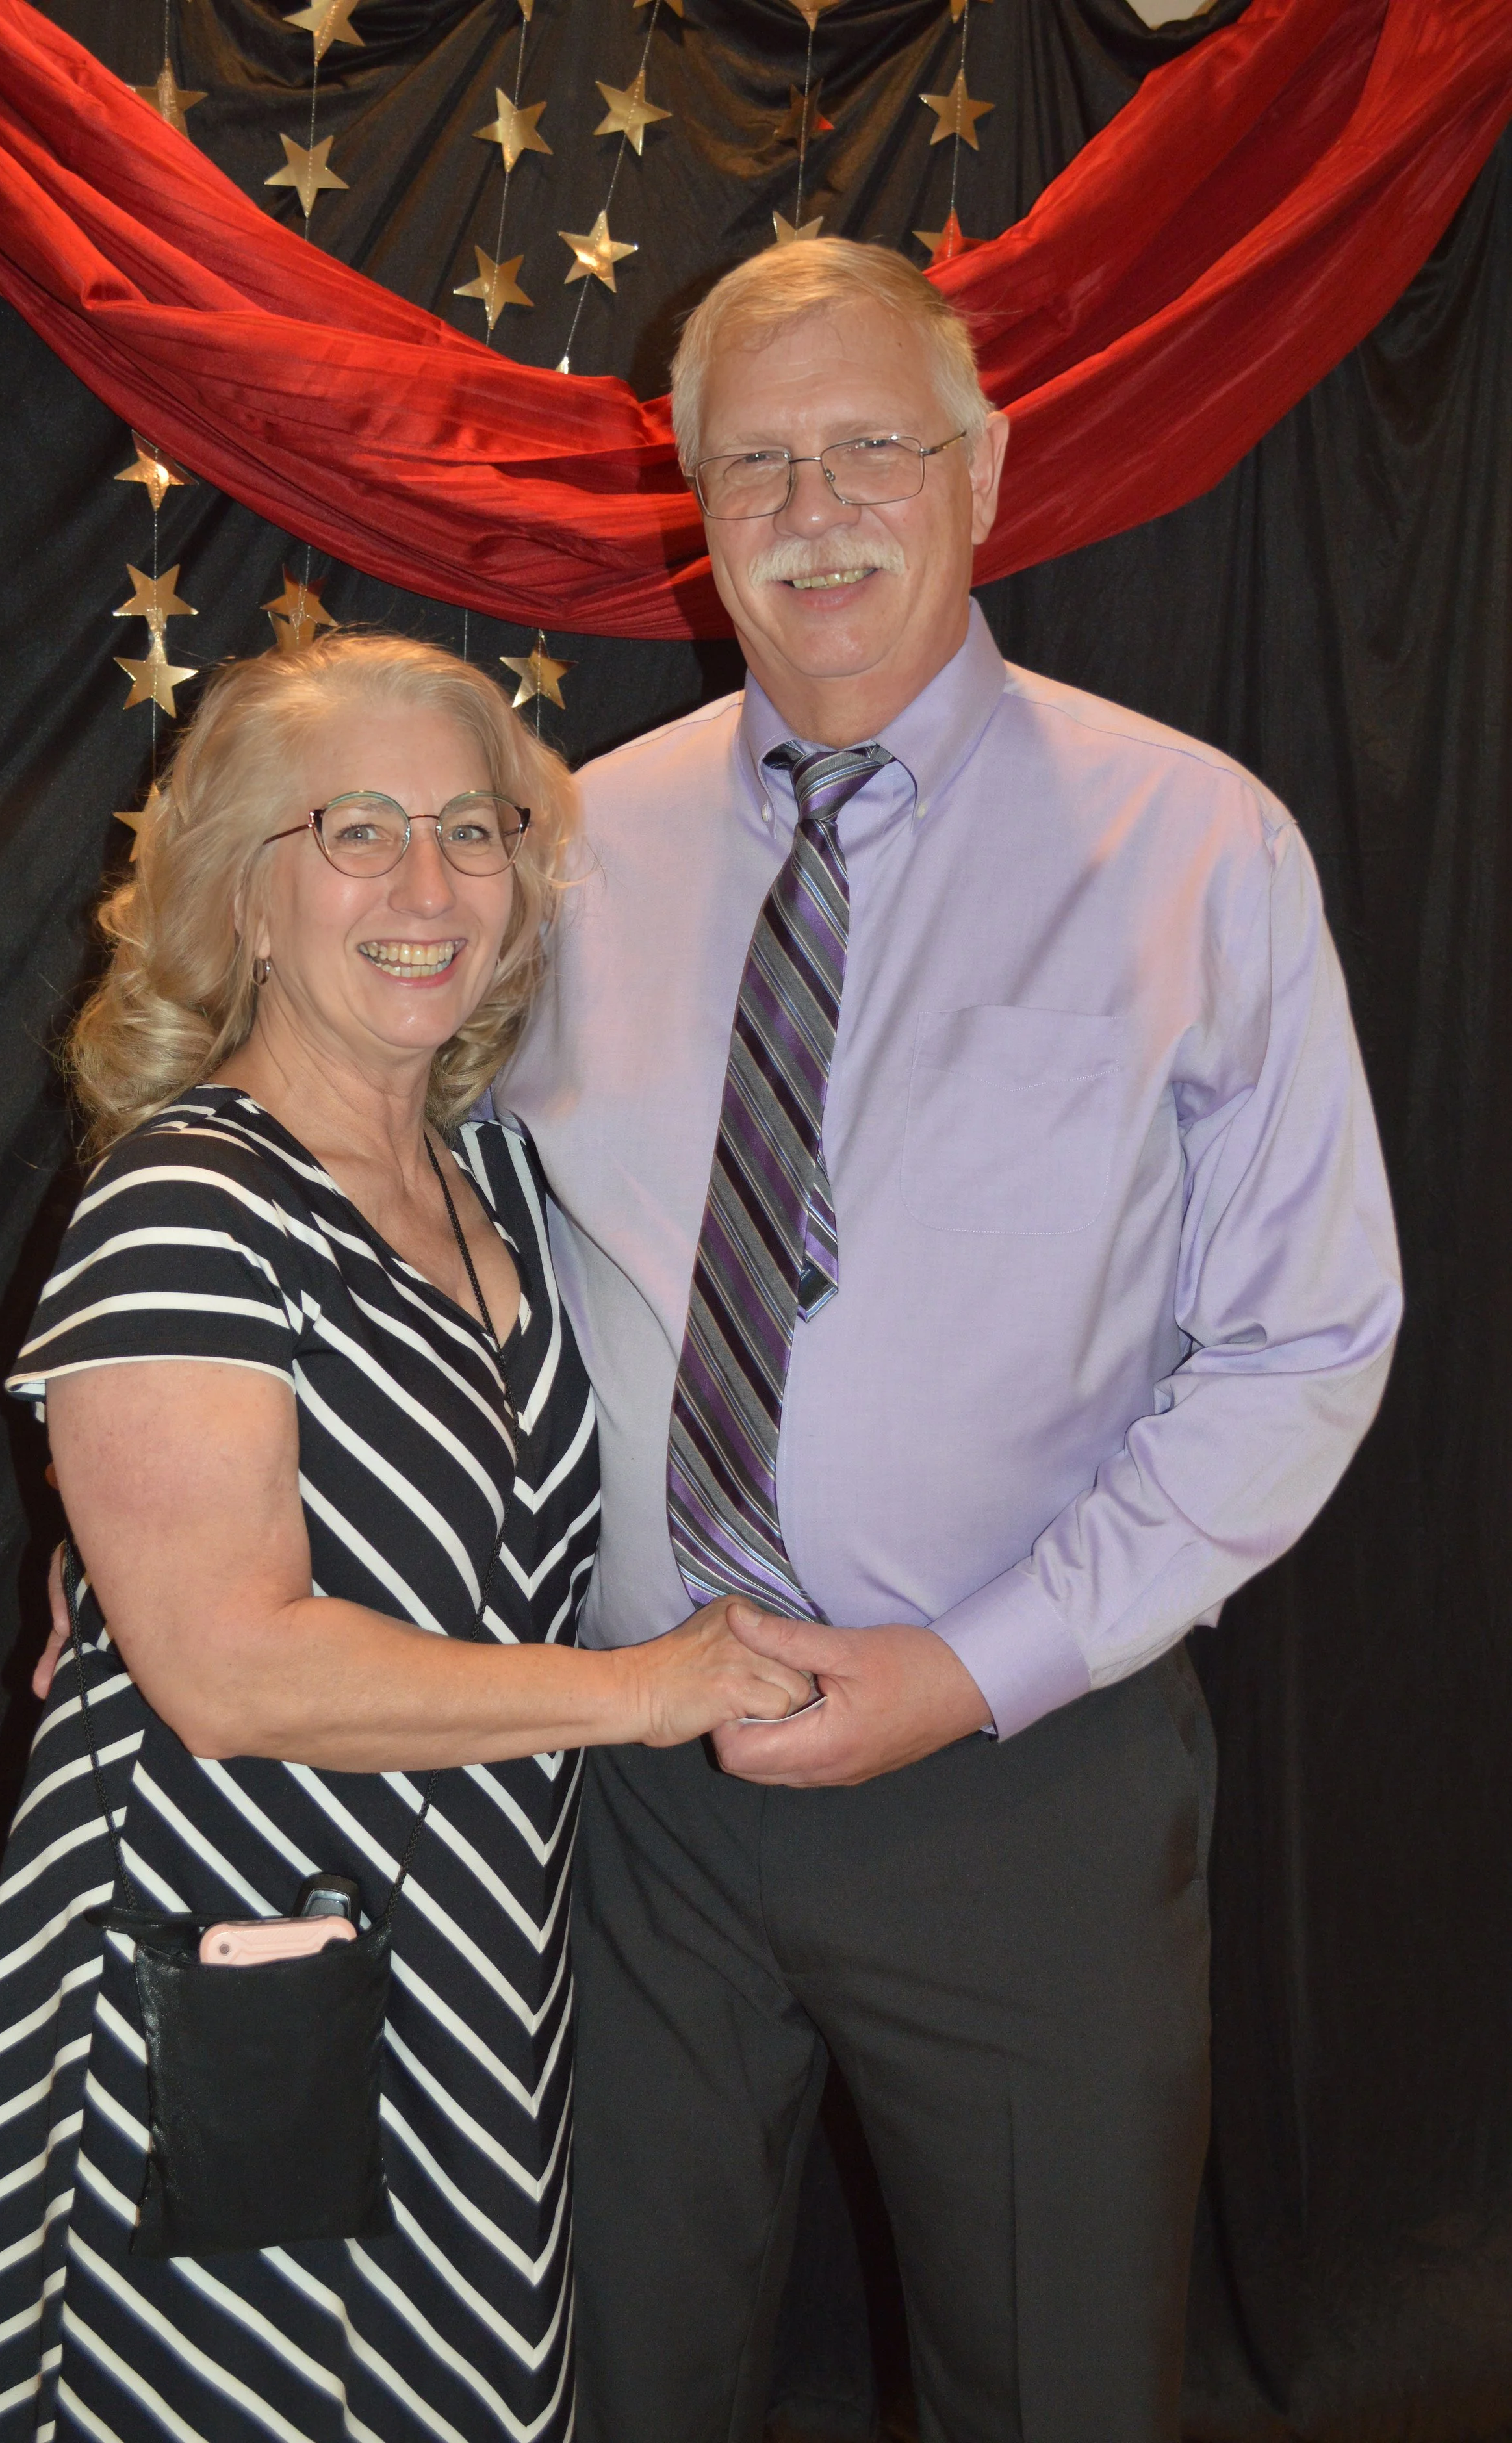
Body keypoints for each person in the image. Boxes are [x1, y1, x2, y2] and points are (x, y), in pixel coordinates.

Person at [498, 240, 1405, 2442]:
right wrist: (175, 1500)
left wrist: (971, 1668)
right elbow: (413, 1243)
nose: (815, 510)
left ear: (982, 469)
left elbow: (1303, 1338)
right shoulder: (554, 858)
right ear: (691, 503)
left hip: (1027, 1791)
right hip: (622, 1790)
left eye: (870, 449)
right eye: (756, 465)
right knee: (623, 2384)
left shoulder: (1196, 845)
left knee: (1059, 2388)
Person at [0, 635, 808, 2443]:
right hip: (237, 1979)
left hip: (468, 1968)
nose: (424, 885)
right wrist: (644, 1695)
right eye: (356, 830)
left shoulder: (489, 1187)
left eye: (470, 832)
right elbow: (231, 1672)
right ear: (244, 894)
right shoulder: (184, 1201)